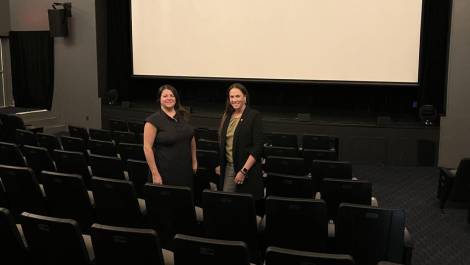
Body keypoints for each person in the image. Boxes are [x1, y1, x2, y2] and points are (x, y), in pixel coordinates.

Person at [143, 84, 197, 190]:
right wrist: (155, 174)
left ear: (176, 98)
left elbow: (191, 138)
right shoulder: (152, 121)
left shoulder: (183, 116)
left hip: (185, 170)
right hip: (164, 172)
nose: (169, 98)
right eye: (165, 96)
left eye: (172, 95)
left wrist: (194, 161)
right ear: (159, 99)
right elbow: (147, 148)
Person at [217, 83, 264, 201]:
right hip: (228, 167)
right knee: (227, 202)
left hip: (246, 169)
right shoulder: (227, 115)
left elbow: (257, 147)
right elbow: (225, 143)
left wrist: (243, 171)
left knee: (243, 206)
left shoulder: (254, 115)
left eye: (237, 96)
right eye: (231, 97)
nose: (234, 100)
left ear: (245, 97)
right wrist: (221, 163)